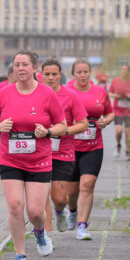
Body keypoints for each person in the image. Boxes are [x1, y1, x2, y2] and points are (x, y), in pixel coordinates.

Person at [0, 50, 67, 260]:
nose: (20, 68)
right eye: (17, 65)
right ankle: (20, 255)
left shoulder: (47, 93)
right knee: (14, 205)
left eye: (25, 65)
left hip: (39, 160)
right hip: (10, 159)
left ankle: (39, 232)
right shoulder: (4, 93)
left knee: (36, 212)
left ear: (34, 67)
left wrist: (47, 132)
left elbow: (62, 125)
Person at [39, 59, 88, 234]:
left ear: (61, 75)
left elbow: (83, 124)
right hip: (38, 153)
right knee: (41, 197)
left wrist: (63, 130)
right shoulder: (35, 94)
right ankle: (46, 236)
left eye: (54, 74)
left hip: (63, 153)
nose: (50, 78)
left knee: (59, 199)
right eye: (47, 74)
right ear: (41, 75)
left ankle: (60, 212)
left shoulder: (70, 96)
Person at [69, 58, 115, 239]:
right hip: (70, 147)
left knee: (87, 185)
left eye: (85, 72)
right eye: (79, 72)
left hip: (93, 146)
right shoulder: (66, 91)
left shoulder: (100, 92)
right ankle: (72, 210)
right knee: (71, 191)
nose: (82, 75)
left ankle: (82, 226)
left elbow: (110, 112)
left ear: (90, 73)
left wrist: (106, 120)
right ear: (73, 74)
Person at [109, 64, 130, 156]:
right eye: (122, 69)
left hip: (129, 111)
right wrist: (115, 95)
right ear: (120, 71)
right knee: (119, 131)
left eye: (126, 69)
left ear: (129, 71)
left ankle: (127, 149)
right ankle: (118, 145)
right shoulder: (115, 81)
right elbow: (110, 92)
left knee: (127, 133)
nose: (124, 71)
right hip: (117, 110)